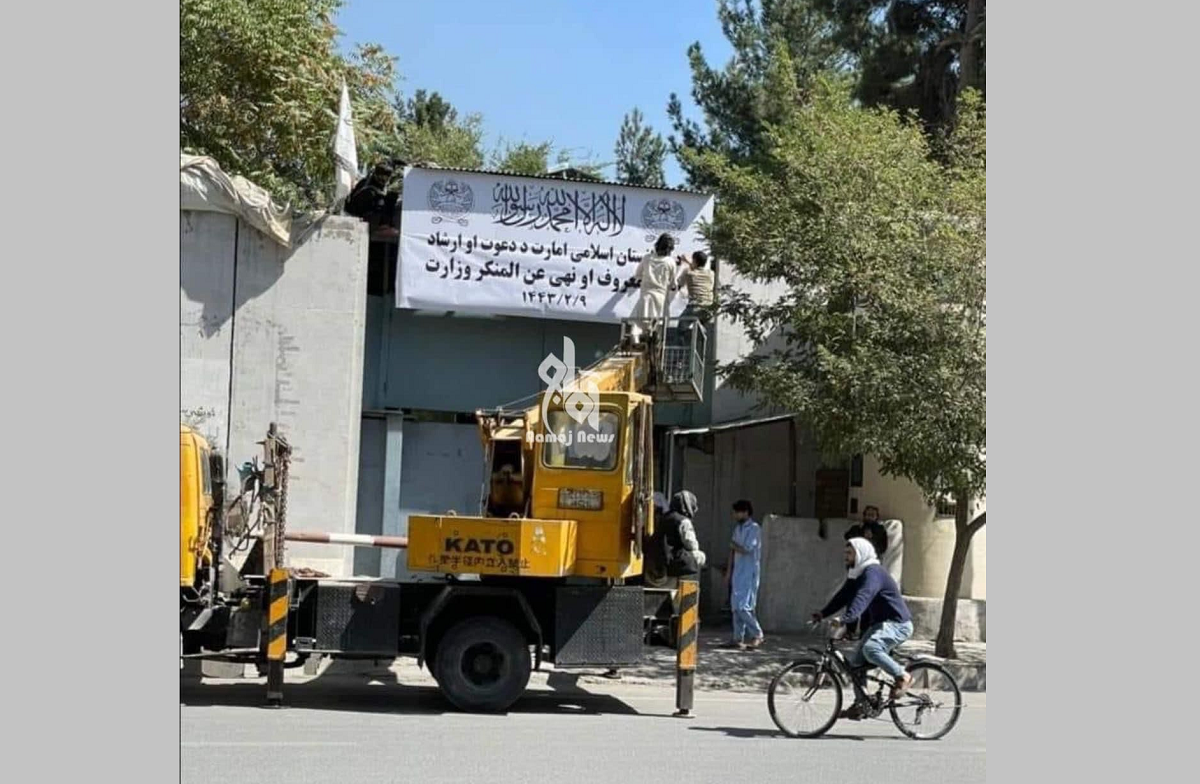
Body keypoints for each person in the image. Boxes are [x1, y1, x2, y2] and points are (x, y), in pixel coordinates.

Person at [812, 538, 915, 714]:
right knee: (856, 665)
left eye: (850, 553)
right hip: (879, 625)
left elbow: (863, 597)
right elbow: (844, 596)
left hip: (897, 624)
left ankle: (903, 676)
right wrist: (823, 613)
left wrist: (845, 619)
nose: (846, 556)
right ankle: (861, 704)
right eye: (845, 553)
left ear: (860, 554)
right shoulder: (857, 574)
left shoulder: (873, 573)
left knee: (871, 649)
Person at [842, 505, 889, 639]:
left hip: (870, 569)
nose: (870, 517)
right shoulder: (857, 528)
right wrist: (860, 534)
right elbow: (847, 537)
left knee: (868, 600)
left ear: (876, 517)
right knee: (852, 598)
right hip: (855, 568)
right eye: (868, 514)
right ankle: (850, 630)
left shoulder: (880, 530)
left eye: (872, 515)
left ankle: (865, 630)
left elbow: (883, 548)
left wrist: (871, 539)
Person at [726, 499, 764, 650]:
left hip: (749, 573)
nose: (735, 515)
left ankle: (757, 634)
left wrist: (733, 545)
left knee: (744, 606)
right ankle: (737, 638)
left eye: (737, 512)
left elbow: (747, 548)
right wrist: (729, 571)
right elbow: (732, 550)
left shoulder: (754, 528)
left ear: (746, 512)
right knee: (735, 606)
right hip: (738, 572)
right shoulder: (738, 528)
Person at [629, 233, 680, 343]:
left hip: (646, 295)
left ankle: (635, 341)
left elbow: (637, 274)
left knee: (639, 323)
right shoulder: (670, 262)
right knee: (658, 326)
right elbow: (673, 283)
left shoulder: (647, 258)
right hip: (660, 297)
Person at [660, 490, 707, 576]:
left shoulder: (663, 517)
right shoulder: (683, 521)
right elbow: (692, 545)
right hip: (674, 561)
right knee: (701, 556)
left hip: (659, 559)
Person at [676, 250, 715, 320]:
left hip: (694, 306)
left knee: (682, 325)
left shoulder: (688, 272)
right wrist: (687, 261)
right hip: (708, 306)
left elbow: (679, 284)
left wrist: (682, 264)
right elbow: (696, 268)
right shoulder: (711, 273)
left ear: (694, 261)